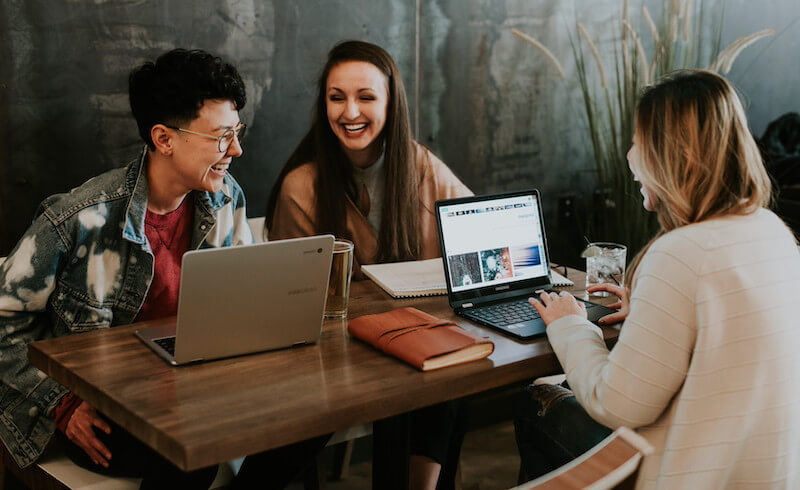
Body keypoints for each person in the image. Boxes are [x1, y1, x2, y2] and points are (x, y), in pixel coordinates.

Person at [514, 70, 800, 488]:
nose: (630, 156)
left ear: (677, 156)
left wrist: (569, 325)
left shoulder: (680, 253)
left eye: (637, 142)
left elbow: (617, 405)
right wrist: (651, 307)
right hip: (769, 475)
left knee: (535, 402)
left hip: (695, 477)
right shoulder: (774, 231)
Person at [265, 40, 472, 490]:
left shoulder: (417, 164)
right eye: (336, 97)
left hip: (415, 339)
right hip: (336, 355)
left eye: (366, 97)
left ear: (391, 103)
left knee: (450, 370)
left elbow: (472, 226)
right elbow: (293, 299)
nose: (349, 111)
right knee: (427, 378)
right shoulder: (302, 186)